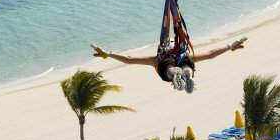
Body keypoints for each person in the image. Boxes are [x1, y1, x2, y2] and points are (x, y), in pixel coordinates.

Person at [91, 37, 247, 93]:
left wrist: (108, 54)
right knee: (186, 65)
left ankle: (180, 75)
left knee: (171, 68)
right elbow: (211, 54)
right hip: (179, 63)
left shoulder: (156, 59)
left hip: (166, 69)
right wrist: (229, 47)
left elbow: (129, 59)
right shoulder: (185, 54)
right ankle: (185, 74)